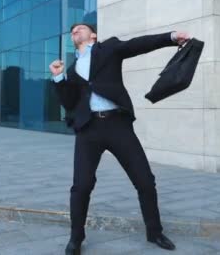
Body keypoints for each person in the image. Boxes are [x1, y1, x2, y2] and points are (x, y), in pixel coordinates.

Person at [50, 22, 190, 255]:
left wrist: (172, 36)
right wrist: (58, 78)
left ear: (93, 34)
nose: (75, 31)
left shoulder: (109, 49)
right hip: (88, 130)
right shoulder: (72, 69)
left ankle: (154, 231)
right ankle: (76, 238)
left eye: (80, 28)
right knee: (81, 186)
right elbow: (69, 102)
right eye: (72, 30)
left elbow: (139, 45)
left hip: (117, 125)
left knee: (145, 180)